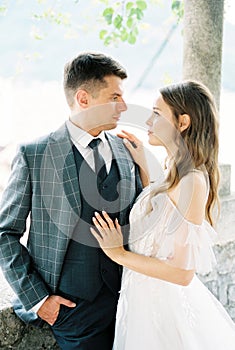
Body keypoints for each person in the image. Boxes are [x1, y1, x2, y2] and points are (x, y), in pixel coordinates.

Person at [0, 52, 143, 350]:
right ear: (84, 98)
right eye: (115, 96)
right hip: (72, 313)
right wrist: (39, 300)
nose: (124, 106)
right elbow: (5, 234)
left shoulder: (128, 150)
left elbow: (142, 216)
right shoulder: (35, 155)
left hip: (132, 304)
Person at [91, 80, 235, 349]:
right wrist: (144, 167)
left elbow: (183, 273)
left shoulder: (192, 180)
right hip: (141, 303)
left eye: (157, 113)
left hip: (162, 313)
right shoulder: (174, 172)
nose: (148, 120)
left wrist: (118, 254)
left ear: (182, 123)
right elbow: (161, 217)